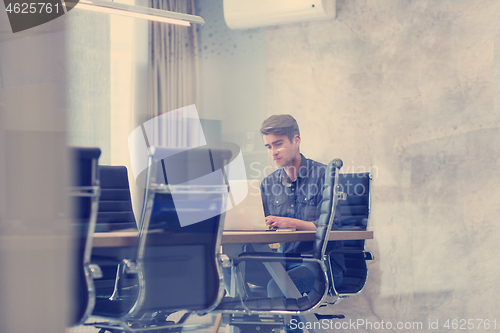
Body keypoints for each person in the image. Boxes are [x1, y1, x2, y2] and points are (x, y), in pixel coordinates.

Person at [259, 114, 345, 332]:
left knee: (276, 286)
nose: (273, 152)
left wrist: (290, 222)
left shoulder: (325, 175)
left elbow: (333, 226)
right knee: (234, 273)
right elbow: (268, 226)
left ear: (296, 140)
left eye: (278, 144)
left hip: (322, 263)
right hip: (284, 259)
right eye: (268, 146)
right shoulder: (268, 184)